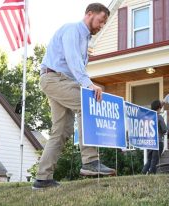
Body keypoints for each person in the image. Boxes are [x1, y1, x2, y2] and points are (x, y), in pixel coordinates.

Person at [33, 3, 115, 189]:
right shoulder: (72, 29)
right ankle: (90, 161)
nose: (101, 26)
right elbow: (72, 59)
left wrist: (82, 83)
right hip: (53, 79)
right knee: (87, 105)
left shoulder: (86, 40)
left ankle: (42, 179)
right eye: (101, 21)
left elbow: (75, 65)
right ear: (89, 14)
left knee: (61, 130)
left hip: (62, 81)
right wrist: (88, 84)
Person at [142, 100, 167, 174]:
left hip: (149, 142)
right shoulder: (159, 117)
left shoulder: (148, 117)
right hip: (158, 141)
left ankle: (143, 173)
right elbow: (164, 129)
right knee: (154, 160)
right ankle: (151, 174)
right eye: (160, 107)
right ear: (159, 108)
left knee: (149, 160)